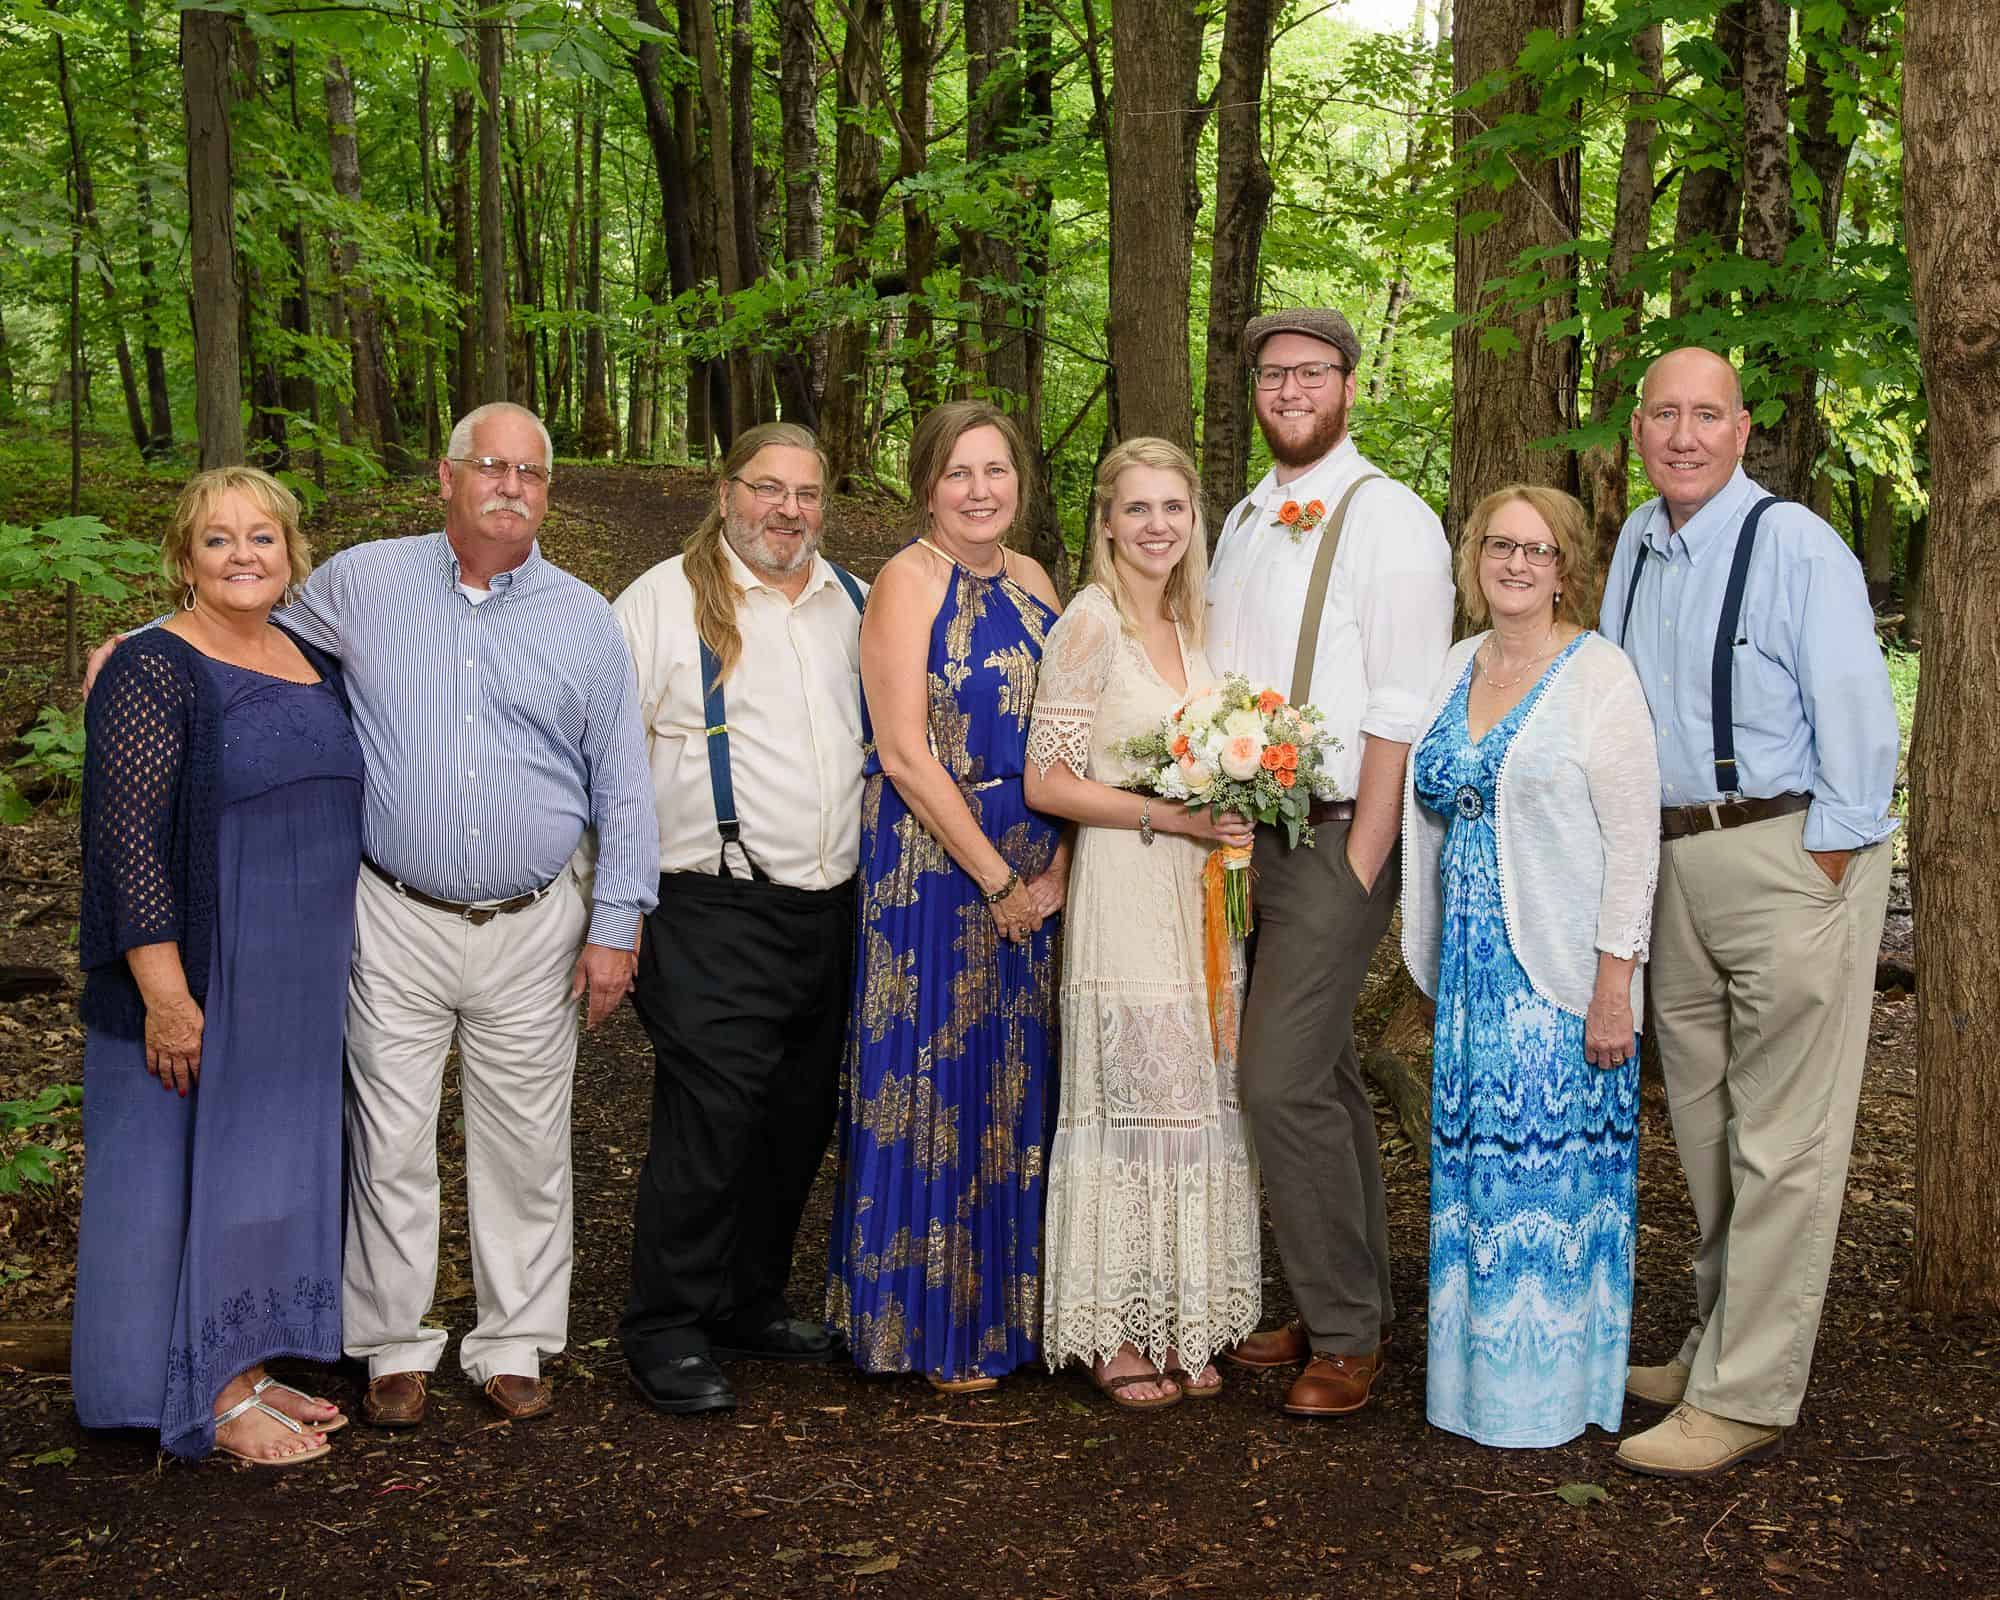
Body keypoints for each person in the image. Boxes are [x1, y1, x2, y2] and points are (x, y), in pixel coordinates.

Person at [91, 402, 660, 1427]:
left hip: (535, 921)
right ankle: (393, 1342)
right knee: (386, 1136)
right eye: (490, 466)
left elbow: (621, 781)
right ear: (445, 479)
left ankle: (512, 1339)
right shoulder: (361, 582)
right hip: (392, 911)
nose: (511, 486)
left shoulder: (584, 618)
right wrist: (131, 647)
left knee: (527, 1143)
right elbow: (234, 621)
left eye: (531, 473)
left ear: (548, 491)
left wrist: (616, 920)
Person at [1601, 347, 1898, 1478]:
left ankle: (1746, 1393)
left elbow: (1858, 722)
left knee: (1784, 1136)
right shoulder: (1634, 539)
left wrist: (1823, 865)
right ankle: (1714, 1338)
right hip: (1671, 863)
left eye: (1705, 415)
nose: (1682, 434)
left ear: (1740, 430)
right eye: (1663, 414)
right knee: (1709, 1127)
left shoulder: (1793, 544)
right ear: (1637, 426)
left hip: (1787, 856)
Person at [73, 466, 362, 1466]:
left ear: (292, 554)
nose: (243, 555)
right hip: (206, 966)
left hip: (299, 973)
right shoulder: (150, 667)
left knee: (264, 1167)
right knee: (185, 1168)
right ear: (181, 558)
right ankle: (206, 1394)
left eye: (262, 537)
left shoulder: (312, 653)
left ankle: (243, 1359)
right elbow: (126, 840)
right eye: (217, 539)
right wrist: (164, 993)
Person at [1206, 307, 1454, 1417]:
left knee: (1274, 1078)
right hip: (1242, 834)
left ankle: (1345, 1334)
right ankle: (1346, 1298)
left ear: (1349, 385)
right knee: (1322, 1076)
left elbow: (1405, 696)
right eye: (1271, 374)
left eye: (1310, 372)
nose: (1290, 389)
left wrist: (1364, 849)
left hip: (1334, 832)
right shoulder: (1245, 518)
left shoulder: (1391, 517)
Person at [612, 423, 866, 1416]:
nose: (788, 510)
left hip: (829, 907)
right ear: (725, 493)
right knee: (710, 1118)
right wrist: (615, 912)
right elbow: (607, 769)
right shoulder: (658, 604)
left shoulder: (848, 601)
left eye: (806, 493)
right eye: (768, 488)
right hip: (708, 904)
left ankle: (744, 1299)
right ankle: (663, 1322)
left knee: (794, 1118)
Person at [1401, 484, 1660, 1448]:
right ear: (1474, 558)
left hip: (1557, 979)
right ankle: (1472, 1391)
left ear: (1566, 568)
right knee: (1475, 1182)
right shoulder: (1456, 664)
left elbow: (1634, 850)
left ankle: (1548, 1398)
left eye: (1538, 550)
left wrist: (1612, 989)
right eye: (1499, 545)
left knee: (1550, 1188)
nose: (1516, 564)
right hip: (1471, 976)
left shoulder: (1599, 676)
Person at [826, 400, 1067, 1392]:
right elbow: (901, 753)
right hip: (935, 866)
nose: (979, 490)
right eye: (959, 472)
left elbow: (1070, 732)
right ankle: (930, 1326)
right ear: (927, 484)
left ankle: (1015, 1312)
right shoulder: (903, 584)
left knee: (1019, 1080)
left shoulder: (1038, 581)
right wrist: (997, 877)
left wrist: (1052, 872)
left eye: (996, 471)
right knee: (937, 1079)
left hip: (1035, 868)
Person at [1024, 438, 1261, 1413]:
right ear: (1106, 520)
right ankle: (1118, 1326)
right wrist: (1168, 816)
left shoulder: (1189, 624)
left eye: (1173, 506)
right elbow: (1048, 777)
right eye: (1138, 508)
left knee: (1200, 1092)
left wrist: (1239, 804)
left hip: (1198, 890)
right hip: (1125, 878)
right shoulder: (1091, 623)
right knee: (1137, 1091)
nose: (1157, 524)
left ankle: (1183, 1317)